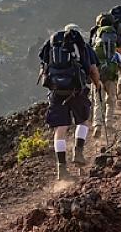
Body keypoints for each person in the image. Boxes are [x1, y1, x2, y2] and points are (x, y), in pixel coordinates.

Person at [39, 24, 101, 180]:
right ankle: (78, 152)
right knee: (83, 121)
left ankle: (62, 169)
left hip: (56, 92)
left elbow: (43, 68)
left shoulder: (51, 46)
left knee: (60, 130)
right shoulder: (83, 47)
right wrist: (98, 85)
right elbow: (93, 70)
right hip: (76, 90)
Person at [92, 17, 121, 139]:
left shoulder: (95, 48)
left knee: (97, 101)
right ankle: (109, 124)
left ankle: (97, 125)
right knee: (110, 101)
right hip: (111, 76)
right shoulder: (115, 52)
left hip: (98, 77)